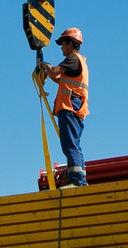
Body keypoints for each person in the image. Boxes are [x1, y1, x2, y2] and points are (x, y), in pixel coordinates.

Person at [36, 28, 90, 187]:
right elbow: (59, 79)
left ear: (71, 44)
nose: (61, 47)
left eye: (63, 44)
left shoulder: (73, 58)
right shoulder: (78, 62)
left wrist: (44, 65)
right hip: (75, 108)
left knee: (70, 145)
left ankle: (77, 181)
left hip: (70, 107)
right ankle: (79, 179)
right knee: (73, 144)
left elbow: (54, 71)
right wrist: (48, 72)